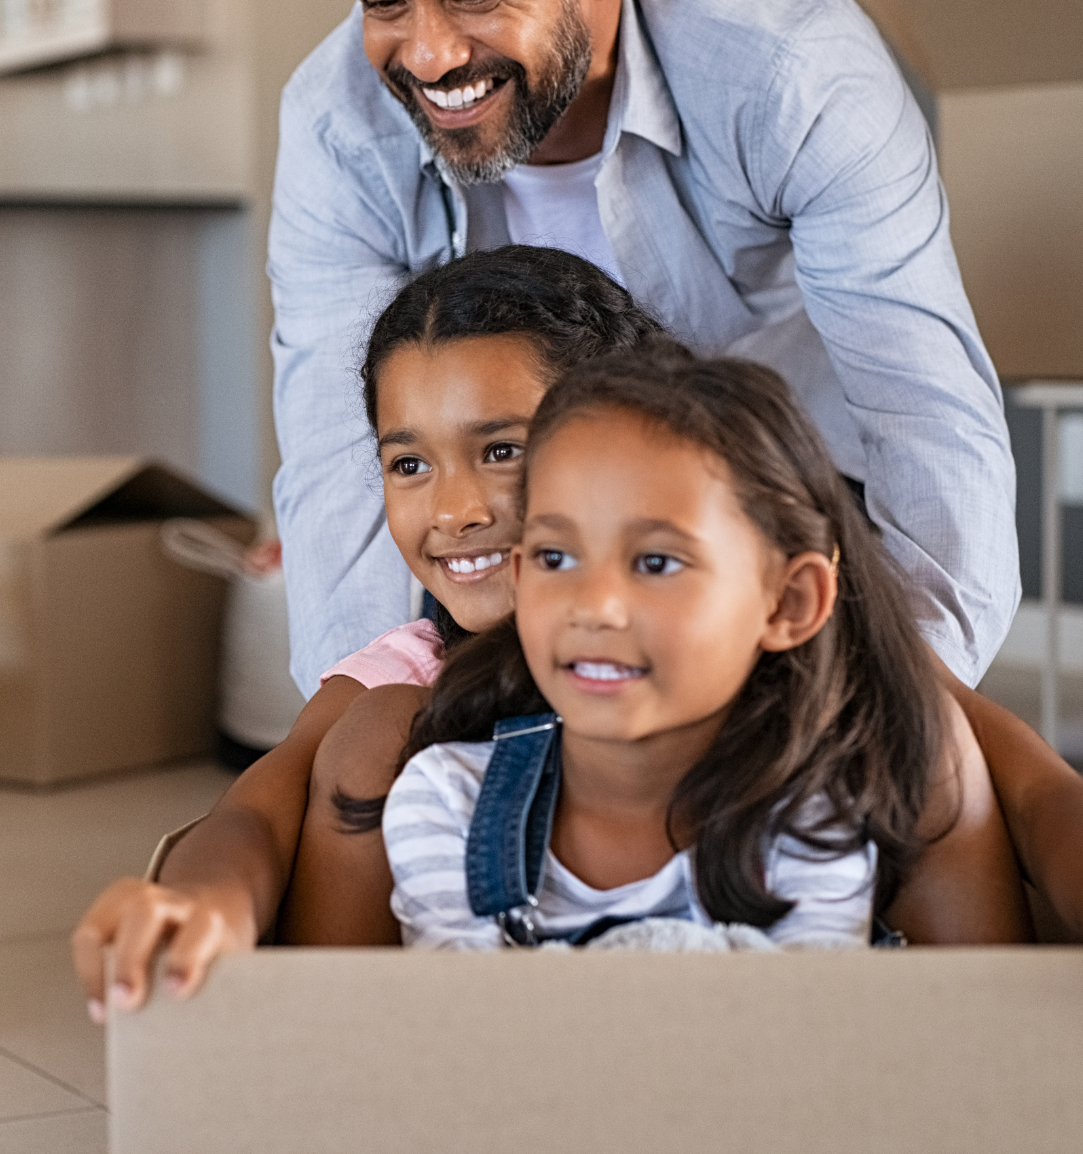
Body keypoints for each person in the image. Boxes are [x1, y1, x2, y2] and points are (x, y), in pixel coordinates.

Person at [74, 251, 1083, 1012]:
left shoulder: (810, 651)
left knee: (930, 744)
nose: (456, 507)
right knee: (368, 741)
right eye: (407, 462)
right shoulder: (402, 696)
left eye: (503, 449)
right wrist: (199, 906)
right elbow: (252, 815)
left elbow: (1040, 794)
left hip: (807, 1032)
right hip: (495, 1045)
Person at [270, 0, 1017, 716]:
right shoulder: (338, 125)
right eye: (384, 2)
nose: (429, 54)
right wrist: (357, 710)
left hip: (778, 491)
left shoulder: (788, 71)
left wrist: (914, 704)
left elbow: (922, 402)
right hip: (504, 516)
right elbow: (336, 451)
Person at [386, 345, 940, 951]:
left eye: (656, 563)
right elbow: (466, 1014)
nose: (593, 606)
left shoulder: (811, 823)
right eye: (556, 558)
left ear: (788, 603)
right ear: (520, 578)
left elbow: (795, 1013)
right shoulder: (447, 804)